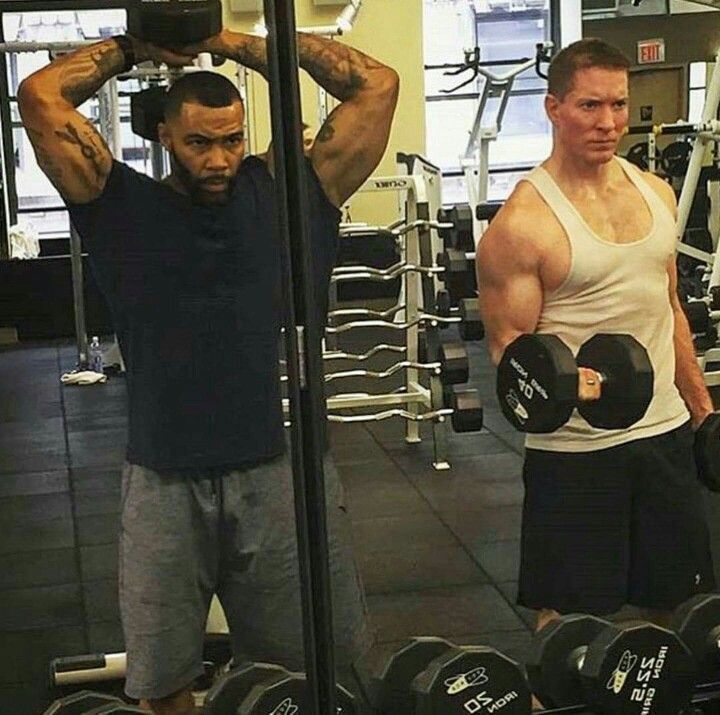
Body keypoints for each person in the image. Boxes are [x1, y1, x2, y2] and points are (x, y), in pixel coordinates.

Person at [18, 27, 398, 715]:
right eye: (199, 143)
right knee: (163, 684)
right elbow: (40, 97)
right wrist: (144, 43)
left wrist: (228, 39)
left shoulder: (292, 191)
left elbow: (376, 84)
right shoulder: (121, 206)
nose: (219, 158)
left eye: (231, 139)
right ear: (165, 135)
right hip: (165, 475)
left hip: (282, 472)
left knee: (321, 673)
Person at [476, 38, 715, 632]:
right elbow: (510, 352)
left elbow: (668, 307)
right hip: (577, 450)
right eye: (589, 106)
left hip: (664, 432)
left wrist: (702, 409)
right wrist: (572, 388)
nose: (608, 123)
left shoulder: (655, 193)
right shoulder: (524, 223)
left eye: (618, 105)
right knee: (570, 617)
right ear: (553, 107)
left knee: (670, 600)